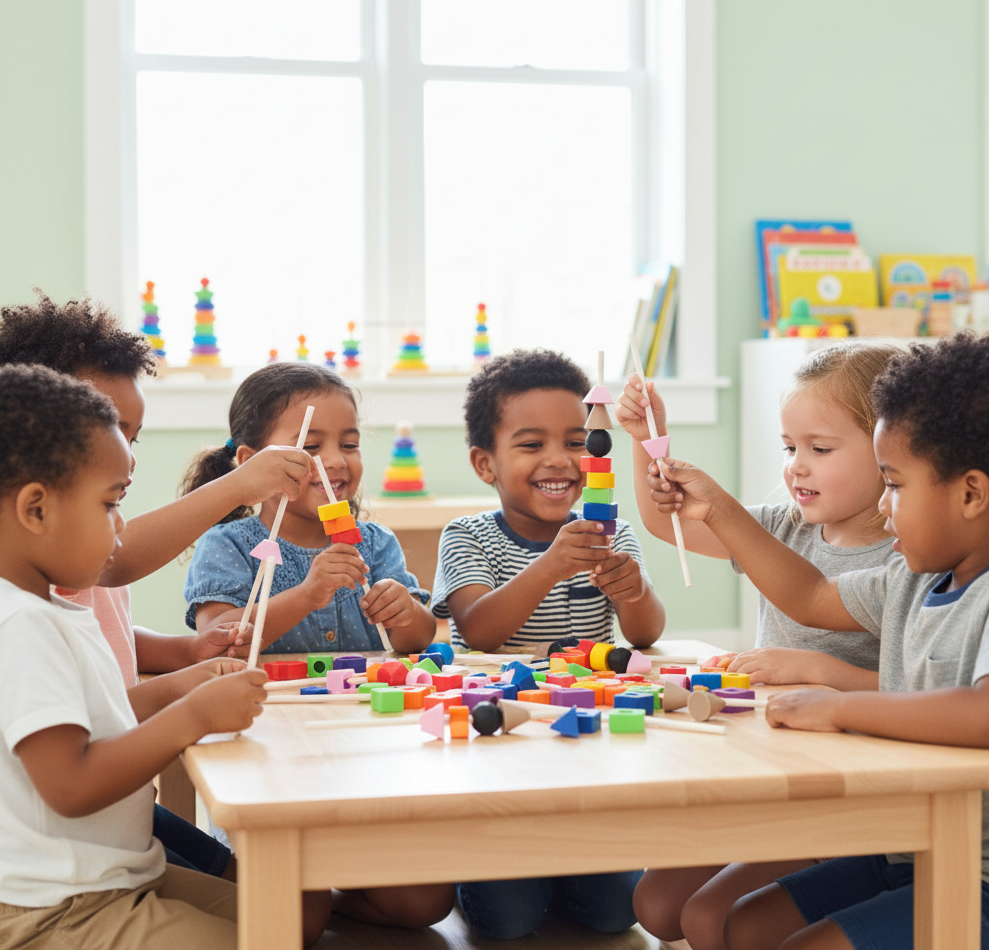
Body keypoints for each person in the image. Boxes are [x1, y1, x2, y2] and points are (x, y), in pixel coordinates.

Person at [650, 333, 989, 950]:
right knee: (741, 925)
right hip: (904, 846)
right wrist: (716, 508)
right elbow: (809, 594)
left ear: (971, 494)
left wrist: (838, 706)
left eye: (895, 485)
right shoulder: (913, 578)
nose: (884, 505)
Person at [0, 292, 317, 891]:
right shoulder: (43, 568)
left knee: (295, 900)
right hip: (71, 851)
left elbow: (103, 633)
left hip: (111, 815)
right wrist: (237, 487)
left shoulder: (57, 567)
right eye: (105, 423)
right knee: (282, 906)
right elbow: (116, 567)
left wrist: (182, 653)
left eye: (132, 434)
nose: (124, 449)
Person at [618, 343, 902, 949]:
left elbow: (919, 692)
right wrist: (649, 440)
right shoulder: (782, 527)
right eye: (789, 448)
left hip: (843, 792)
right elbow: (668, 522)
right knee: (656, 905)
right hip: (766, 767)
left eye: (820, 449)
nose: (797, 466)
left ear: (890, 451)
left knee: (708, 918)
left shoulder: (908, 555)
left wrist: (818, 671)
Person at [182, 361, 453, 928]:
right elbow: (221, 643)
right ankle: (304, 895)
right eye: (311, 446)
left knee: (426, 904)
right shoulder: (226, 545)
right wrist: (306, 594)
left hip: (368, 761)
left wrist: (407, 614)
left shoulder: (374, 542)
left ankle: (334, 896)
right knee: (292, 919)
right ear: (249, 464)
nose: (336, 460)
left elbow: (418, 638)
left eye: (349, 444)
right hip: (265, 763)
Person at [432, 348, 664, 939]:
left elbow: (644, 634)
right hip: (497, 751)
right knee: (508, 921)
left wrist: (633, 589)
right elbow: (478, 629)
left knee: (617, 912)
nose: (560, 459)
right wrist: (551, 565)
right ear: (485, 463)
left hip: (585, 748)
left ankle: (570, 866)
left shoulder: (611, 532)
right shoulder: (467, 537)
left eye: (577, 442)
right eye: (532, 444)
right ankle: (481, 867)